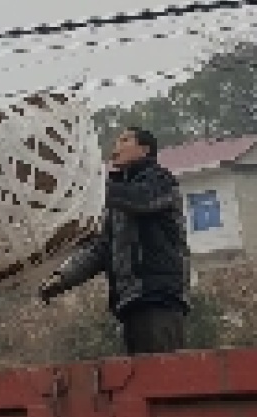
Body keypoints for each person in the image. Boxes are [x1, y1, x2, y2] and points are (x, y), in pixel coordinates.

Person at [39, 125, 190, 355]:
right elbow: (101, 249)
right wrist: (62, 278)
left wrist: (94, 185)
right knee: (143, 382)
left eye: (125, 140)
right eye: (117, 141)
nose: (117, 146)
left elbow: (142, 200)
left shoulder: (160, 181)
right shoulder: (117, 201)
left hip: (159, 297)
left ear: (145, 149)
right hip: (130, 302)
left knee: (163, 377)